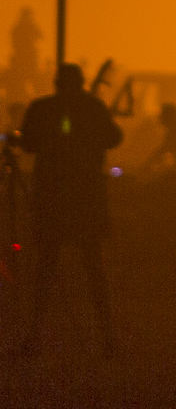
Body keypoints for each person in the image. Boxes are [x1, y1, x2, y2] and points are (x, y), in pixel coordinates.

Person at [17, 62, 121, 355]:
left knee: (46, 269)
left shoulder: (41, 109)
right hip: (85, 197)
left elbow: (28, 143)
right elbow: (114, 137)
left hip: (52, 198)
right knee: (93, 269)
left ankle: (35, 335)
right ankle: (107, 335)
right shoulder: (93, 108)